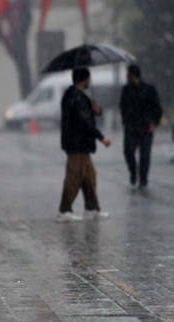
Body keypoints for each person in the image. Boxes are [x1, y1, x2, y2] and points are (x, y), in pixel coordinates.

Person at [57, 68, 111, 222]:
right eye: (88, 78)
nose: (90, 81)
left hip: (79, 144)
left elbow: (88, 115)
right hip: (77, 144)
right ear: (84, 79)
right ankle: (64, 210)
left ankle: (91, 208)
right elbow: (85, 122)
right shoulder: (76, 98)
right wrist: (102, 137)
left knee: (89, 176)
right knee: (73, 178)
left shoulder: (75, 96)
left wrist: (97, 110)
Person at [119, 65, 163, 188]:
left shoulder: (149, 89)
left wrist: (154, 122)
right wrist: (125, 122)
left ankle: (143, 178)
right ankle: (133, 171)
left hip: (146, 126)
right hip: (131, 127)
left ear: (133, 75)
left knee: (145, 155)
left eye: (128, 74)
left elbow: (157, 108)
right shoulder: (126, 90)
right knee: (128, 151)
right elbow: (122, 107)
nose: (127, 76)